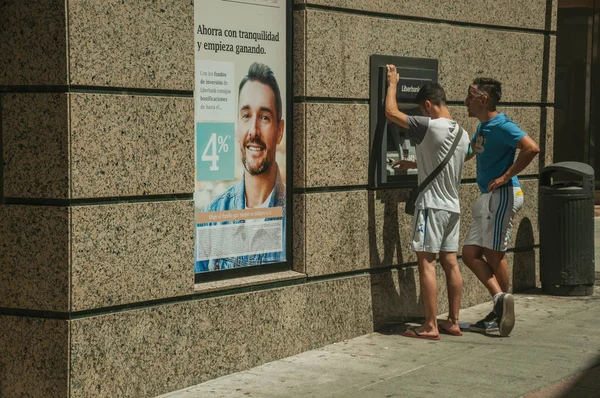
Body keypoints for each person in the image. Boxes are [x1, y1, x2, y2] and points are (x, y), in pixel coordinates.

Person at [385, 65, 471, 340]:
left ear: (427, 105)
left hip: (431, 206)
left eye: (422, 110)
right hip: (452, 207)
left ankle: (430, 325)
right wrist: (414, 162)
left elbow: (391, 113)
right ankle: (454, 321)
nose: (422, 115)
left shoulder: (430, 125)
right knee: (451, 262)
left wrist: (392, 83)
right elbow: (447, 160)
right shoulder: (463, 134)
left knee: (426, 263)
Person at [462, 78, 540, 337]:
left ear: (483, 100)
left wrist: (506, 177)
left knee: (494, 255)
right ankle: (499, 303)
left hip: (504, 194)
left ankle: (503, 312)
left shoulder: (502, 125)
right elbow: (471, 152)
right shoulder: (483, 127)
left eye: (470, 96)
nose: (466, 101)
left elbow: (531, 148)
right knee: (470, 254)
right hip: (489, 197)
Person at [195, 62, 286, 272]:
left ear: (279, 131)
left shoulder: (295, 216)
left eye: (264, 117)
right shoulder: (212, 217)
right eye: (246, 116)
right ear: (237, 128)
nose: (253, 131)